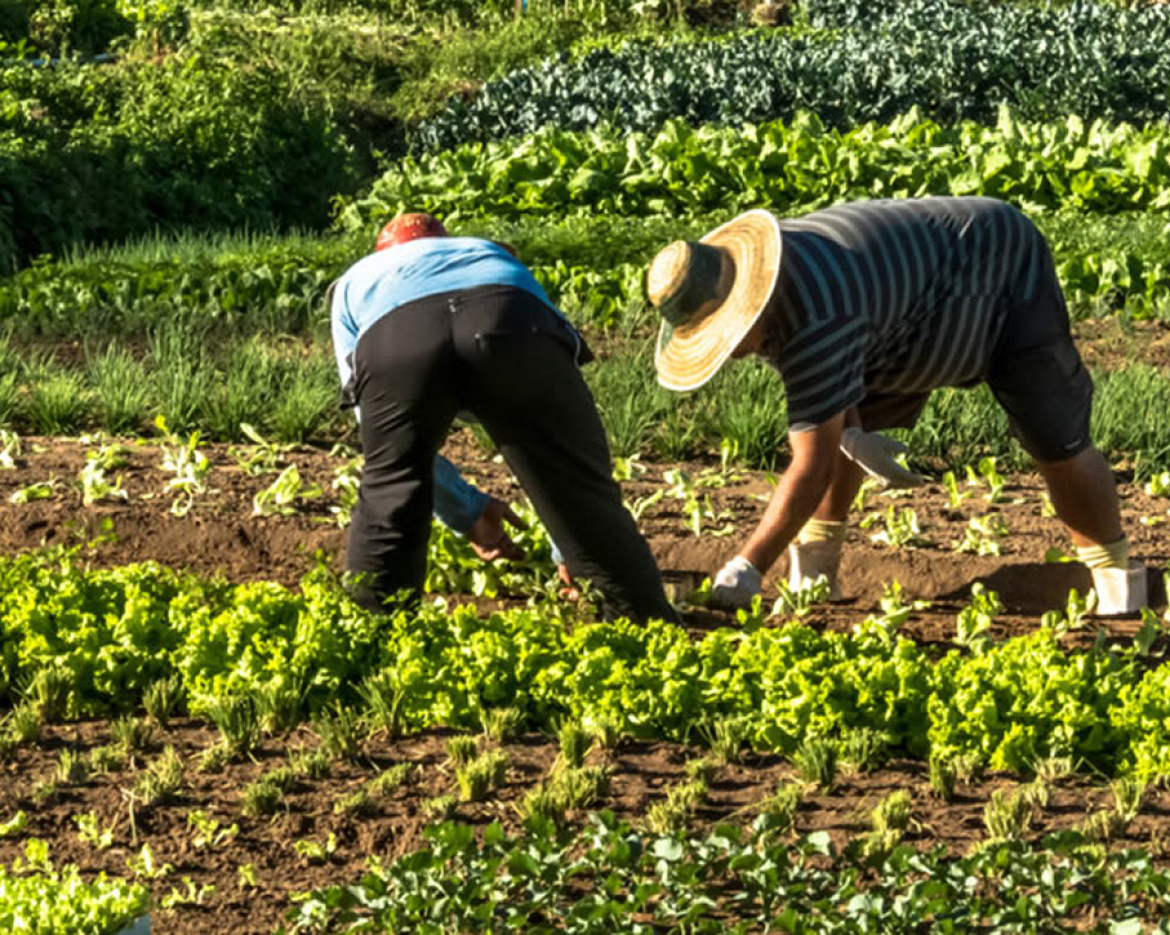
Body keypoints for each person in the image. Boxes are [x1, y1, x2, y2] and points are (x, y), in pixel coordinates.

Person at [643, 196, 1146, 615]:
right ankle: (814, 582)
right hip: (903, 310)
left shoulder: (815, 312)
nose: (728, 353)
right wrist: (854, 431)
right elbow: (828, 404)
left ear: (750, 302)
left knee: (1056, 438)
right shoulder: (769, 283)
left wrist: (748, 566)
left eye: (726, 337)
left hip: (997, 267)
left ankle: (1120, 589)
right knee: (835, 429)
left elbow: (812, 466)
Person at [329, 212, 676, 622]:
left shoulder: (357, 280)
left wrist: (467, 511)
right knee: (576, 481)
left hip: (397, 339)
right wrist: (570, 546)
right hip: (508, 317)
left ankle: (370, 646)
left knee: (391, 487)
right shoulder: (485, 253)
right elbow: (559, 446)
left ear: (383, 253)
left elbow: (377, 435)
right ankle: (641, 636)